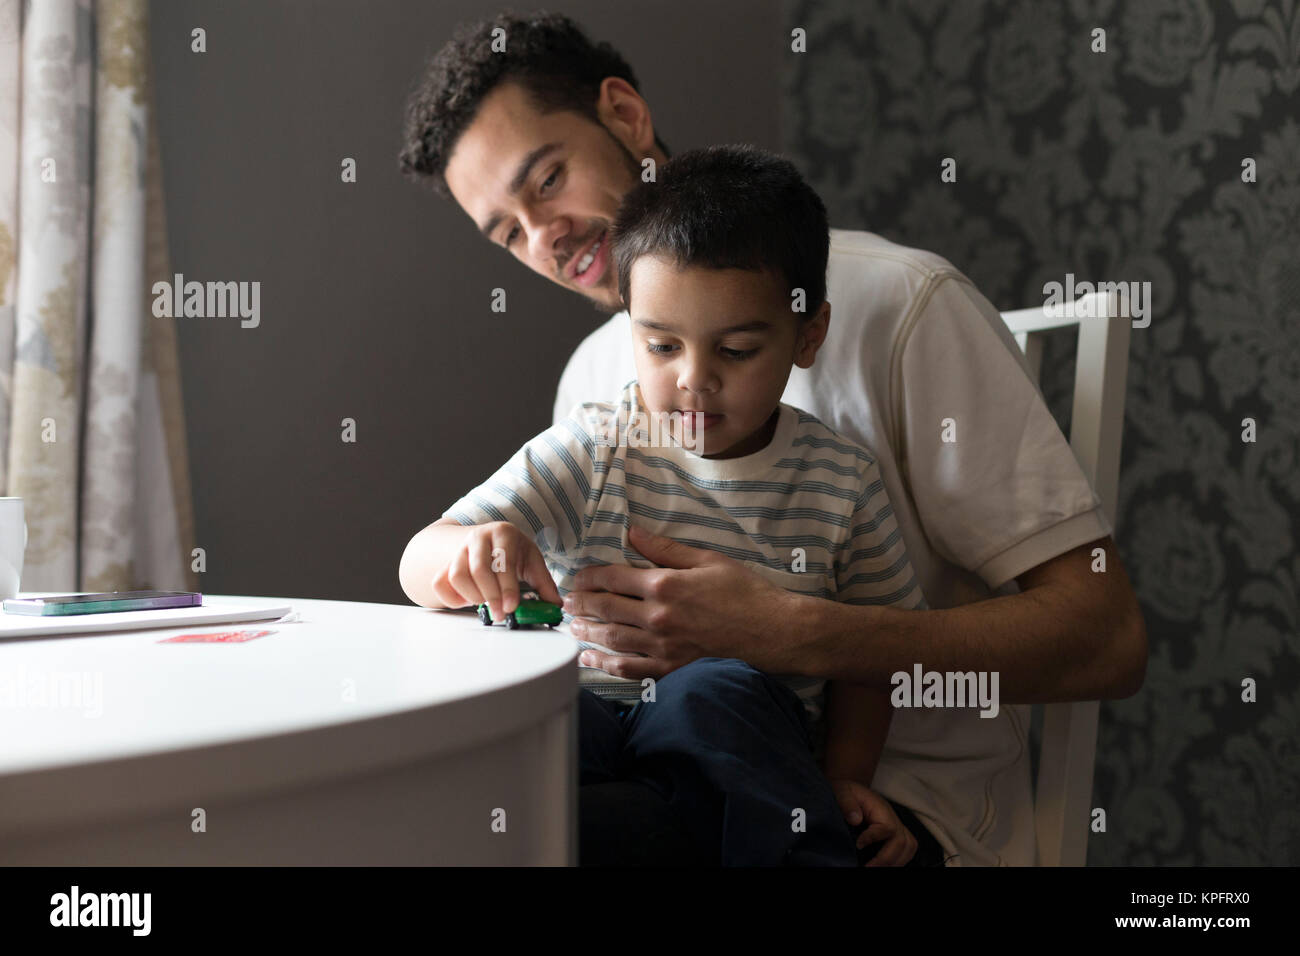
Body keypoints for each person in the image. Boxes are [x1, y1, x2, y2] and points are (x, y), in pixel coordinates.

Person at [398, 11, 1147, 867]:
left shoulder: (901, 307)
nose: (543, 236)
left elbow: (1108, 639)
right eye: (508, 233)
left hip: (887, 817)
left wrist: (793, 632)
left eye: (547, 180)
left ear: (625, 114)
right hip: (637, 773)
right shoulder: (593, 381)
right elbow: (460, 560)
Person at [399, 144, 939, 866]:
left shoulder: (841, 482)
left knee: (710, 693)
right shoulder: (598, 445)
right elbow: (419, 558)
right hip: (598, 735)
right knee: (525, 727)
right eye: (661, 345)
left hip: (734, 763)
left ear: (808, 335)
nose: (694, 380)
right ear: (631, 330)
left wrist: (844, 780)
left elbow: (871, 662)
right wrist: (469, 550)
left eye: (737, 351)